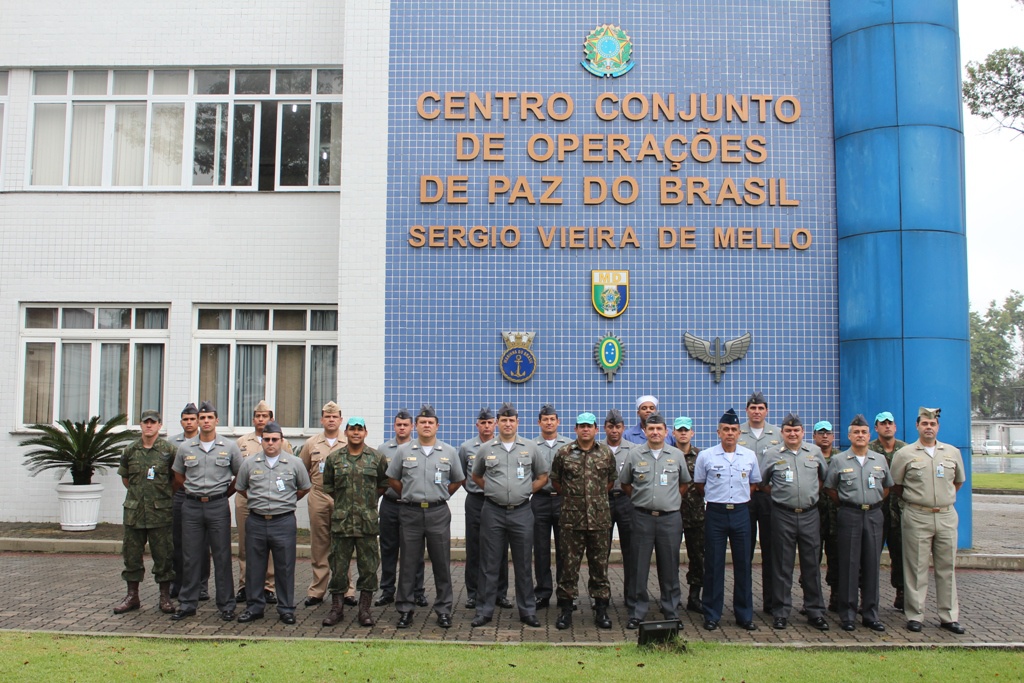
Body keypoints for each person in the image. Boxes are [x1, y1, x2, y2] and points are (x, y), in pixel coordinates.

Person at [386, 404, 465, 628]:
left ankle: (443, 609)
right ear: (416, 426)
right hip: (409, 512)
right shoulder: (404, 451)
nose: (426, 426)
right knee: (409, 563)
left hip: (438, 512)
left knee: (441, 563)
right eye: (422, 422)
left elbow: (458, 480)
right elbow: (392, 478)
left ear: (437, 426)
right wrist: (408, 494)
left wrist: (440, 496)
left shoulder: (448, 451)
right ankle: (405, 609)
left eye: (430, 422)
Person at [470, 402, 548, 627]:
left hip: (522, 511)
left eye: (511, 420)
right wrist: (493, 490)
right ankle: (484, 610)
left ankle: (527, 610)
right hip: (492, 511)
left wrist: (525, 491)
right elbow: (476, 476)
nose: (507, 424)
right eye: (503, 420)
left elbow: (542, 476)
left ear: (517, 422)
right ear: (497, 423)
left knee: (524, 563)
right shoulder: (487, 449)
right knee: (489, 563)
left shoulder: (530, 447)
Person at [891, 407, 966, 635]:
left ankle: (949, 616)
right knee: (916, 568)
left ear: (938, 427)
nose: (929, 428)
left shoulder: (951, 453)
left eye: (932, 424)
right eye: (925, 424)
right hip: (917, 515)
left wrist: (942, 500)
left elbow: (958, 482)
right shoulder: (905, 454)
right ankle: (915, 615)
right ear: (917, 426)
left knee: (947, 568)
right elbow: (896, 485)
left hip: (945, 515)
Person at [619, 413, 692, 629]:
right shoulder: (635, 454)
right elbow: (625, 484)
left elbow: (684, 484)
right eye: (651, 429)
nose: (655, 432)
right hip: (642, 517)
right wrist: (642, 500)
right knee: (639, 566)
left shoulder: (677, 455)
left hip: (669, 519)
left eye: (659, 429)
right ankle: (637, 611)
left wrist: (669, 501)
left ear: (666, 431)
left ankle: (670, 610)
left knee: (669, 565)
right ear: (645, 432)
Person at [234, 421, 311, 625]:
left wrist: (287, 502)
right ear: (261, 441)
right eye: (266, 439)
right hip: (257, 521)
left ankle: (286, 608)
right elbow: (241, 487)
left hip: (283, 521)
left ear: (281, 440)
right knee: (254, 567)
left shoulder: (294, 463)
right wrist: (256, 501)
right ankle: (254, 607)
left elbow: (304, 487)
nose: (270, 443)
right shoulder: (250, 463)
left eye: (274, 439)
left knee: (285, 567)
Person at [170, 401, 242, 621]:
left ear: (217, 421)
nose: (206, 421)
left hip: (217, 506)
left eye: (210, 417)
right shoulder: (185, 448)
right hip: (191, 506)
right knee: (190, 556)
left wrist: (222, 495)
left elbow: (240, 476)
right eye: (202, 418)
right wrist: (192, 492)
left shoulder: (229, 447)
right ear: (198, 421)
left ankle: (226, 605)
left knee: (222, 556)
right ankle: (187, 603)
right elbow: (178, 476)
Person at [693, 408, 761, 631]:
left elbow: (754, 484)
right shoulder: (706, 456)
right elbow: (700, 484)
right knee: (713, 564)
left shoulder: (749, 456)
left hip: (741, 513)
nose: (729, 433)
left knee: (743, 564)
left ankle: (744, 615)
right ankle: (711, 613)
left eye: (733, 429)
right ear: (718, 432)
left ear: (739, 433)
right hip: (716, 513)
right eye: (725, 429)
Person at [823, 414, 892, 633]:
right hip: (849, 515)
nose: (860, 436)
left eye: (863, 432)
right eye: (856, 432)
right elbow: (831, 489)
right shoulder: (839, 460)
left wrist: (872, 502)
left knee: (872, 565)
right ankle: (848, 614)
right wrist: (848, 503)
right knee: (849, 565)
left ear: (869, 435)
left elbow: (887, 487)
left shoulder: (879, 460)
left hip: (873, 515)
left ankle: (870, 614)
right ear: (849, 435)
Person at [760, 413, 829, 631]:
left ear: (802, 433)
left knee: (811, 565)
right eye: (788, 431)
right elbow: (763, 483)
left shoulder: (814, 452)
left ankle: (815, 611)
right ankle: (780, 612)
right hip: (783, 515)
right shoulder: (772, 454)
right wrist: (782, 496)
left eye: (796, 430)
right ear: (782, 433)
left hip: (809, 514)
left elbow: (823, 478)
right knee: (782, 565)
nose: (792, 434)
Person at [550, 412, 617, 630]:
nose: (585, 429)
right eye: (581, 426)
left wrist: (593, 500)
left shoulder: (605, 453)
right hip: (572, 520)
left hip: (599, 520)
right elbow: (557, 481)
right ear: (576, 429)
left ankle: (601, 609)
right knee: (569, 568)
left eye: (589, 426)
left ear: (596, 429)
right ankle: (566, 609)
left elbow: (610, 481)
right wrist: (575, 500)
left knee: (600, 567)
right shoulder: (564, 453)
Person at [321, 417, 389, 627]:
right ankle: (337, 609)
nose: (356, 433)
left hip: (366, 523)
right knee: (338, 567)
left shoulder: (376, 458)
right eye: (352, 429)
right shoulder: (334, 459)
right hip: (342, 522)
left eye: (360, 429)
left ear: (365, 433)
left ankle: (365, 610)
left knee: (368, 567)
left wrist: (365, 504)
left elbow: (382, 485)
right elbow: (329, 486)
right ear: (346, 432)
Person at [113, 409, 177, 615]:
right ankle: (132, 596)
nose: (149, 425)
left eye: (153, 422)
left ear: (160, 425)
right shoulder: (130, 451)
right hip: (135, 513)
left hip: (160, 513)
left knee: (164, 556)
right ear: (140, 425)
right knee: (131, 556)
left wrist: (160, 495)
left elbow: (176, 481)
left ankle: (164, 597)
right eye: (145, 422)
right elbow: (126, 480)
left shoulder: (169, 451)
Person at [234, 400, 293, 606]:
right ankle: (245, 585)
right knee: (246, 545)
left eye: (265, 416)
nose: (261, 419)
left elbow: (293, 475)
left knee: (270, 547)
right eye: (258, 416)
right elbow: (237, 476)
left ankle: (268, 587)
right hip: (246, 501)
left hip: (275, 504)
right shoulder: (242, 442)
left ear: (271, 419)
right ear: (253, 419)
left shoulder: (283, 443)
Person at [297, 401, 355, 608]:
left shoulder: (349, 442)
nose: (331, 420)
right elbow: (301, 470)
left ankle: (347, 589)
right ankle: (317, 590)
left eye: (335, 417)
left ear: (340, 420)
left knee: (344, 544)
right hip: (319, 496)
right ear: (321, 420)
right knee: (320, 545)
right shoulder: (311, 443)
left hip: (342, 498)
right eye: (327, 416)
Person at [459, 406, 511, 610]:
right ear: (477, 425)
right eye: (483, 423)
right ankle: (473, 593)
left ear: (495, 424)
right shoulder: (466, 447)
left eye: (490, 422)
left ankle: (500, 593)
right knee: (474, 547)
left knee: (500, 548)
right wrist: (476, 489)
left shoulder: (503, 445)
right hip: (476, 500)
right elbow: (464, 475)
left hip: (498, 502)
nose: (487, 426)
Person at [376, 409, 427, 607]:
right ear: (394, 426)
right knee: (388, 548)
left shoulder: (419, 447)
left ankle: (418, 591)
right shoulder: (383, 449)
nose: (402, 428)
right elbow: (381, 479)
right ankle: (387, 590)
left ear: (412, 427)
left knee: (414, 550)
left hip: (412, 507)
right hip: (390, 505)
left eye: (406, 425)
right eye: (399, 425)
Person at [738, 391, 780, 614]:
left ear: (766, 411)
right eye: (753, 408)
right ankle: (745, 603)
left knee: (770, 550)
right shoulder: (738, 432)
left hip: (768, 497)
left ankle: (771, 602)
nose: (756, 412)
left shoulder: (778, 434)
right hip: (744, 498)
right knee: (744, 550)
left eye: (760, 408)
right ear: (747, 410)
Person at [530, 404, 570, 609]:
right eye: (545, 419)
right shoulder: (530, 446)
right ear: (539, 423)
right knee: (541, 548)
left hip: (563, 500)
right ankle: (543, 593)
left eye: (552, 419)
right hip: (540, 499)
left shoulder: (569, 445)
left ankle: (565, 593)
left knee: (566, 549)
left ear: (558, 422)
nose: (549, 422)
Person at [169, 403, 210, 601]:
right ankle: (178, 583)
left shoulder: (205, 441)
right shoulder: (172, 443)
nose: (189, 423)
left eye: (193, 419)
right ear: (181, 422)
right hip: (179, 496)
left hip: (200, 498)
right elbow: (173, 472)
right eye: (185, 419)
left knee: (202, 544)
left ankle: (202, 585)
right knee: (178, 541)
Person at [869, 411, 907, 611]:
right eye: (882, 423)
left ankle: (902, 594)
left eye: (890, 423)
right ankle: (868, 596)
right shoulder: (868, 450)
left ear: (895, 426)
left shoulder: (906, 450)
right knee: (869, 555)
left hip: (900, 512)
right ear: (876, 428)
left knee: (901, 555)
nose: (887, 426)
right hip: (876, 511)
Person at [602, 409, 635, 614]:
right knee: (601, 551)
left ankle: (631, 596)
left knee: (630, 551)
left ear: (623, 428)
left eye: (618, 427)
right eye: (610, 427)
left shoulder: (634, 450)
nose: (614, 431)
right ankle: (601, 596)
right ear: (605, 428)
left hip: (625, 501)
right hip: (603, 502)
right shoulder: (597, 449)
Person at [673, 416, 705, 613]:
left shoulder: (702, 456)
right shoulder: (667, 454)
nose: (683, 433)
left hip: (696, 514)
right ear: (674, 433)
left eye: (687, 430)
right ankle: (671, 597)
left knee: (698, 557)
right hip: (672, 513)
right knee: (670, 558)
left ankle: (695, 596)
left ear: (692, 433)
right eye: (679, 430)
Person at [812, 420, 839, 611]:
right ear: (813, 436)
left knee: (837, 558)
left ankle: (836, 597)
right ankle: (811, 599)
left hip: (837, 516)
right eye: (820, 433)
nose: (824, 436)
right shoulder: (808, 456)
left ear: (833, 436)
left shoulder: (843, 458)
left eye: (828, 433)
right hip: (814, 515)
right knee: (812, 558)